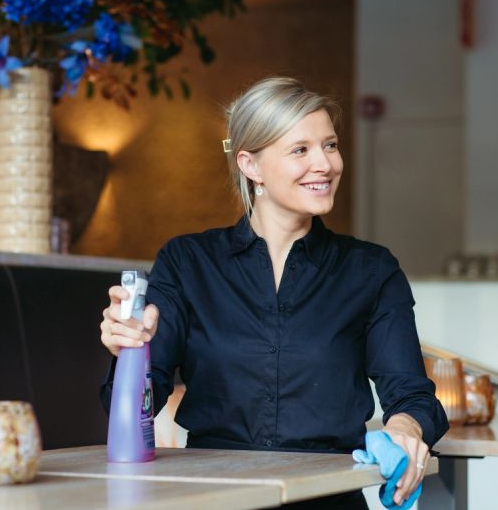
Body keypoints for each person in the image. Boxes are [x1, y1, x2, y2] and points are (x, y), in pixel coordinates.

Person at [100, 77, 448, 509]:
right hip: (211, 499)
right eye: (300, 150)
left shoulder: (372, 271)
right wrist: (130, 352)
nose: (324, 164)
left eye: (331, 145)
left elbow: (413, 396)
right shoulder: (188, 262)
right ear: (251, 165)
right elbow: (138, 409)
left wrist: (406, 430)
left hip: (325, 499)